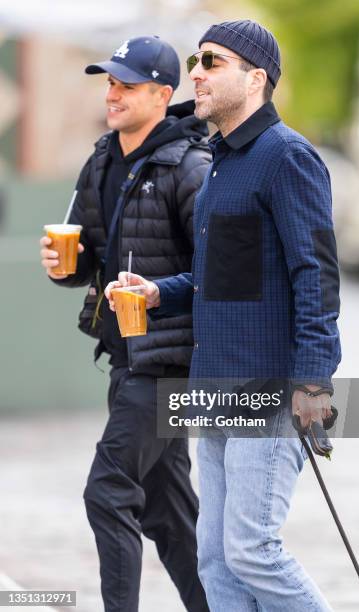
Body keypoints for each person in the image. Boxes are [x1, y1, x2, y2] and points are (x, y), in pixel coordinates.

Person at [106, 20, 341, 612]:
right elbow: (225, 278)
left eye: (212, 61)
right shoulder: (220, 163)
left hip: (268, 385)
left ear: (255, 78)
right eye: (195, 60)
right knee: (214, 560)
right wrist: (160, 292)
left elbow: (316, 276)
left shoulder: (287, 157)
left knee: (252, 550)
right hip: (214, 383)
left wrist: (313, 382)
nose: (196, 73)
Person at [40, 36, 211, 612]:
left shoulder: (191, 167)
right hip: (126, 358)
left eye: (127, 84)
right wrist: (69, 268)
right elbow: (93, 254)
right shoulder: (102, 160)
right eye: (109, 81)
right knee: (167, 514)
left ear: (163, 95)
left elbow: (218, 273)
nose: (111, 93)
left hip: (169, 366)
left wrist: (158, 295)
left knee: (109, 492)